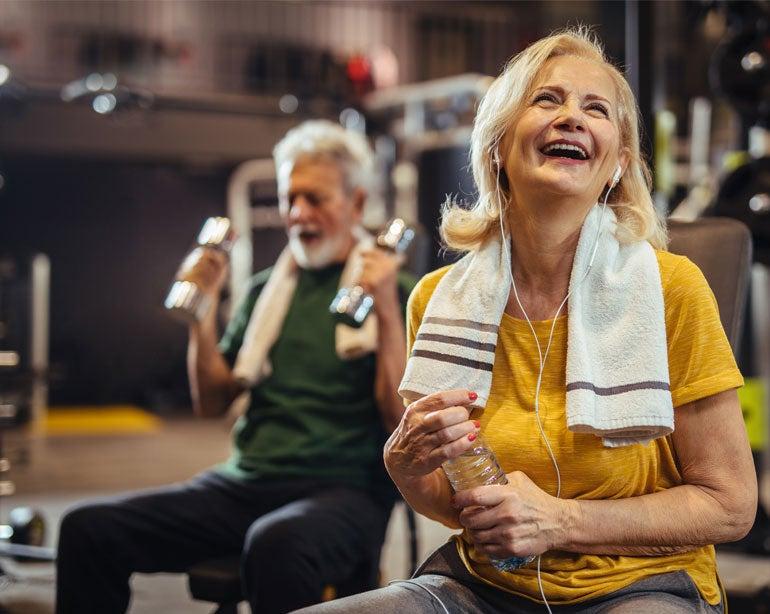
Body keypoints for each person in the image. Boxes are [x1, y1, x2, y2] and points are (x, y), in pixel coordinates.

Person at [295, 28, 757, 614]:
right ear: (497, 147)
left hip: (642, 584)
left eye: (596, 109)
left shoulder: (673, 290)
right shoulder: (439, 301)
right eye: (547, 100)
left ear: (615, 164)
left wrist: (561, 522)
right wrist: (409, 474)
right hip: (485, 584)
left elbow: (731, 505)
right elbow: (463, 499)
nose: (572, 118)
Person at [55, 120, 416, 614]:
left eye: (315, 200)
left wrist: (387, 308)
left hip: (346, 490)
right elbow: (211, 402)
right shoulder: (265, 290)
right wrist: (200, 316)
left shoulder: (399, 289)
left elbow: (402, 420)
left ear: (355, 204)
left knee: (277, 543)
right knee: (87, 530)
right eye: (290, 199)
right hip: (246, 481)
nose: (297, 214)